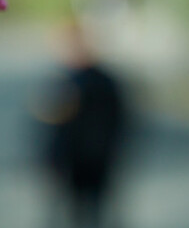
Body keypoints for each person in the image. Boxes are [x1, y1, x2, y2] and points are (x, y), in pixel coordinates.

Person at [34, 19, 129, 228]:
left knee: (86, 213)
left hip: (88, 162)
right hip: (79, 161)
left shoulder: (85, 82)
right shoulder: (69, 79)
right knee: (78, 213)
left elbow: (118, 123)